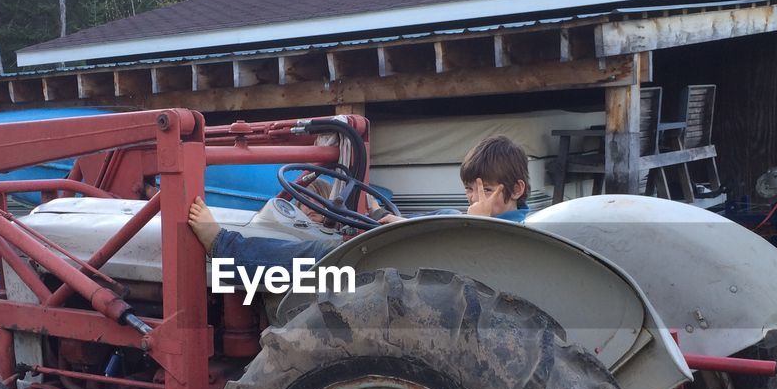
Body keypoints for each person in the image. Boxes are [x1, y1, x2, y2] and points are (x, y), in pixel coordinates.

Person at [188, 133, 532, 266]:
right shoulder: (481, 221)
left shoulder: (500, 234)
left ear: (516, 190)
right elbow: (441, 224)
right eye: (470, 190)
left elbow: (465, 243)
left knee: (313, 256)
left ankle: (224, 246)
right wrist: (400, 223)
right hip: (408, 254)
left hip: (398, 269)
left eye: (487, 190)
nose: (476, 199)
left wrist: (476, 219)